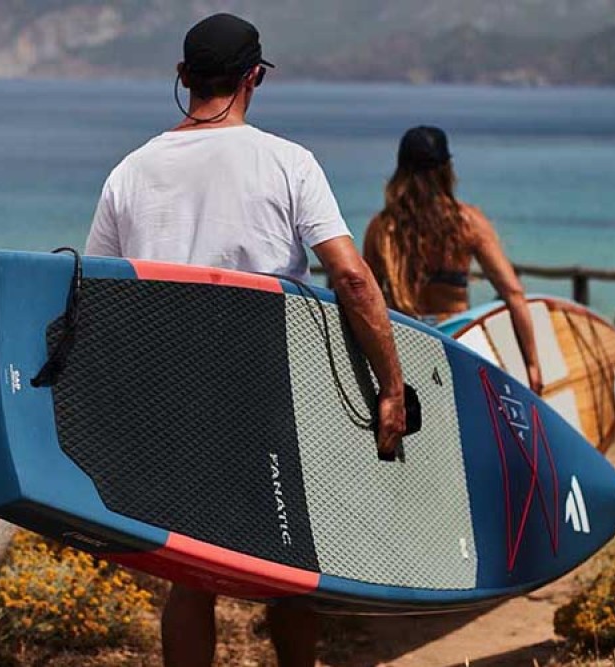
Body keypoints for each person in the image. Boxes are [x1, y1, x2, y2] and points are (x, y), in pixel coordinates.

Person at [84, 12, 406, 667]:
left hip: (171, 401)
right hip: (271, 395)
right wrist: (392, 386)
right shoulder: (289, 163)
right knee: (292, 568)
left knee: (190, 574)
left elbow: (99, 297)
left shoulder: (130, 173)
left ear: (182, 77)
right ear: (254, 77)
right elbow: (352, 276)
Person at [364, 125, 542, 394]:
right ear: (447, 169)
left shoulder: (382, 228)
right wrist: (532, 363)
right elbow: (513, 292)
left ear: (400, 171)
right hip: (456, 342)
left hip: (404, 342)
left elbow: (364, 298)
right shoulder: (468, 222)